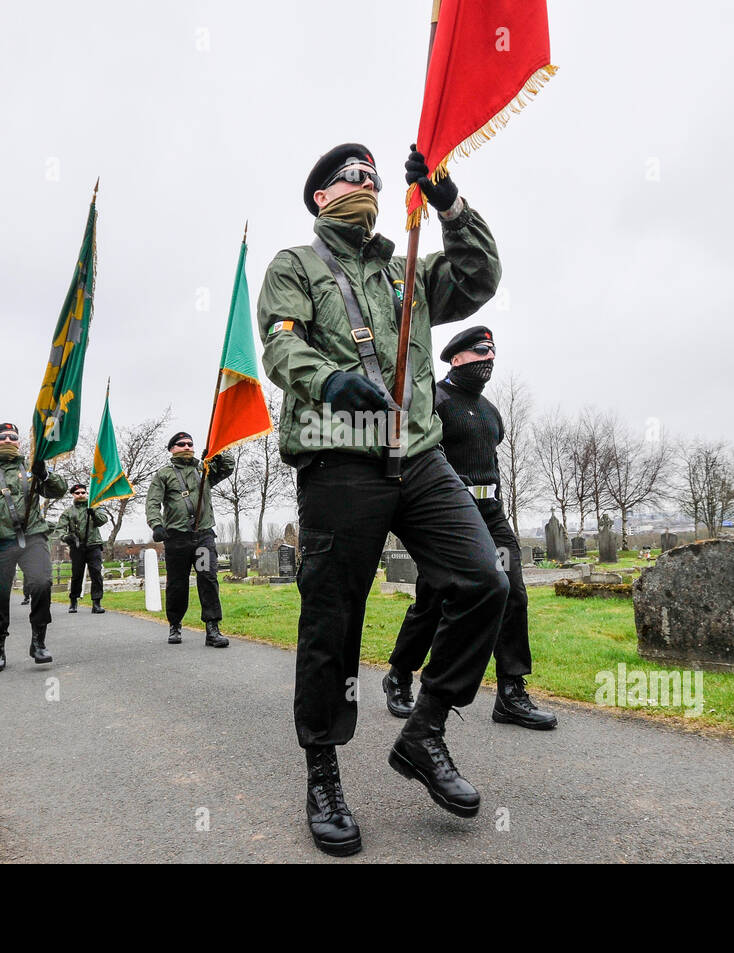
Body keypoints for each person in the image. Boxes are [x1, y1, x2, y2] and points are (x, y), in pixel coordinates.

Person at [257, 142, 505, 856]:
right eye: (348, 175)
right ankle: (324, 772)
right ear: (319, 198)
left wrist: (447, 199)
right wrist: (328, 379)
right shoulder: (295, 266)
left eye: (372, 174)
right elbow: (280, 345)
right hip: (341, 457)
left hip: (419, 453)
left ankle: (425, 732)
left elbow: (480, 275)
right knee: (332, 621)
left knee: (485, 578)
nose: (364, 182)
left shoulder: (411, 267)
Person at [383, 326, 557, 731]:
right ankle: (399, 675)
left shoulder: (492, 412)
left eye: (494, 352)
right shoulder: (436, 401)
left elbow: (492, 464)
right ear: (456, 357)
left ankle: (511, 692)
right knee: (434, 601)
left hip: (491, 511)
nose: (489, 359)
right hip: (449, 515)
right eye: (481, 351)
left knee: (512, 592)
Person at [0, 421, 67, 673]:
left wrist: (45, 474)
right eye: (2, 437)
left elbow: (58, 490)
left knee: (41, 584)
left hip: (33, 537)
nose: (8, 440)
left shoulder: (31, 467)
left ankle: (38, 642)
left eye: (13, 437)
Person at [145, 432, 232, 647]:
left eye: (190, 443)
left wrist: (218, 455)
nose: (186, 446)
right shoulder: (163, 474)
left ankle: (212, 628)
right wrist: (156, 525)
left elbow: (227, 468)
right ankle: (175, 625)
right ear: (172, 449)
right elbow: (152, 502)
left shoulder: (203, 469)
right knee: (177, 583)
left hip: (202, 537)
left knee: (208, 578)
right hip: (177, 539)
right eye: (181, 444)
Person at [60, 483, 109, 614]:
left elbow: (103, 520)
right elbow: (59, 529)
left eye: (83, 492)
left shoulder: (95, 507)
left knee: (96, 573)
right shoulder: (68, 512)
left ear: (87, 493)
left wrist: (93, 513)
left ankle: (97, 602)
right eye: (77, 493)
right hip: (77, 547)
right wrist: (66, 537)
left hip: (94, 545)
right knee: (77, 574)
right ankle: (74, 601)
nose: (80, 495)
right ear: (73, 495)